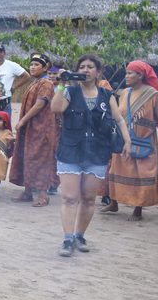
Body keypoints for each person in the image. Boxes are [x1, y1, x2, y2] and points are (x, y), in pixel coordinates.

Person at [51, 54, 132, 257]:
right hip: (71, 151)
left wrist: (127, 141)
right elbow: (56, 108)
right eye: (82, 67)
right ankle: (67, 239)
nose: (86, 70)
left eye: (90, 67)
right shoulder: (69, 91)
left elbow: (119, 119)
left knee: (88, 199)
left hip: (97, 152)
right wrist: (61, 84)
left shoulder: (106, 94)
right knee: (70, 198)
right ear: (76, 70)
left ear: (98, 71)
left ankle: (80, 236)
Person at [98, 61, 158, 221]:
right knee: (116, 170)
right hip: (123, 139)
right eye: (127, 73)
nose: (127, 76)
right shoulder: (125, 93)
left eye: (130, 73)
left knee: (141, 173)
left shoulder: (153, 95)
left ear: (140, 76)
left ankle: (138, 209)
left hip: (144, 139)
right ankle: (114, 203)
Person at [9, 54, 59, 206]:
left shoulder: (46, 83)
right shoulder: (35, 82)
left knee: (41, 159)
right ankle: (28, 192)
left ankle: (43, 195)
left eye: (37, 64)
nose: (32, 67)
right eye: (31, 64)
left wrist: (23, 120)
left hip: (42, 128)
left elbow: (39, 104)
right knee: (29, 157)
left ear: (45, 68)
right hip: (31, 129)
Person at [0, 44, 30, 115]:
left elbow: (26, 76)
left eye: (0, 52)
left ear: (5, 53)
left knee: (5, 121)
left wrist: (14, 87)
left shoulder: (12, 65)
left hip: (5, 102)